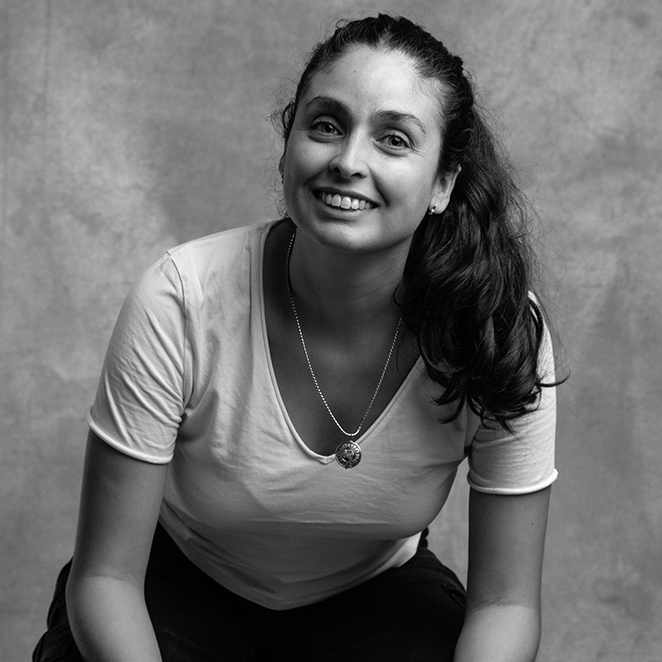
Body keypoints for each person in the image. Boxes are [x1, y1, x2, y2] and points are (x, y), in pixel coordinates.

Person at [33, 13, 559, 662]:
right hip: (175, 579)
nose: (348, 162)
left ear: (443, 184)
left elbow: (507, 606)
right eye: (327, 125)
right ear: (289, 147)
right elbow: (105, 580)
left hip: (377, 595)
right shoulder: (182, 298)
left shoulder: (497, 327)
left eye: (394, 139)